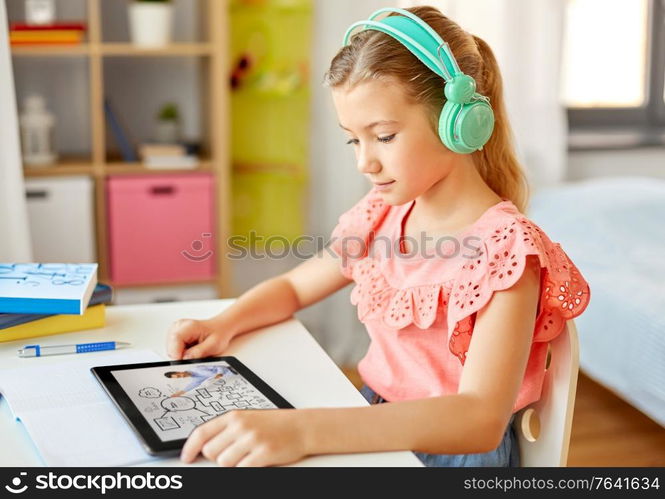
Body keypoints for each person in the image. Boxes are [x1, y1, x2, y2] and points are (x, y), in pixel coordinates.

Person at [166, 6, 590, 468]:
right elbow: (293, 288)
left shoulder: (507, 251)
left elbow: (479, 417)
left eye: (384, 136)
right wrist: (224, 323)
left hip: (452, 454)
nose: (364, 162)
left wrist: (305, 429)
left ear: (461, 124)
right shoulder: (380, 217)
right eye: (354, 140)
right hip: (374, 421)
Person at [164, 365, 237, 397]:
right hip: (234, 374)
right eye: (179, 378)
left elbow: (218, 367)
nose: (182, 377)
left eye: (179, 375)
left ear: (178, 372)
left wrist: (219, 373)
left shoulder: (197, 369)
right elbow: (192, 385)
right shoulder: (195, 378)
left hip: (232, 368)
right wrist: (179, 393)